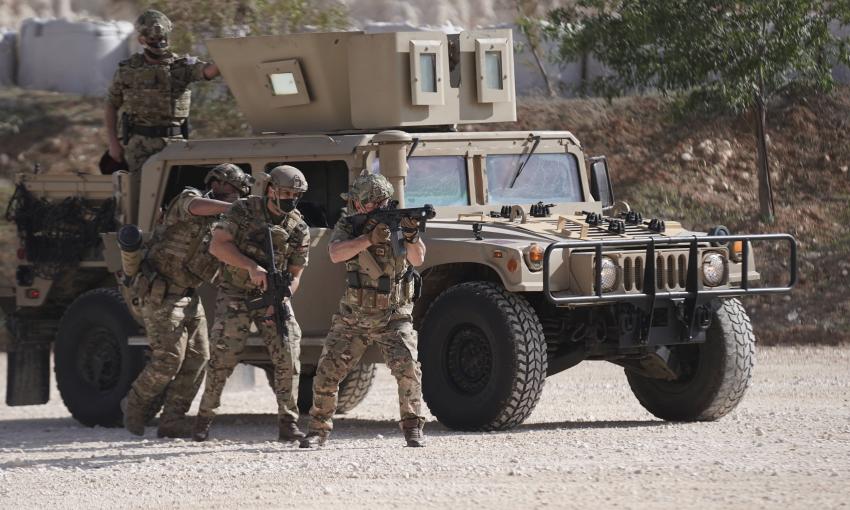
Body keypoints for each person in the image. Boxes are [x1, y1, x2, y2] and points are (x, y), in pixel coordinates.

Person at [123, 163, 251, 438]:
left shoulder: (222, 223)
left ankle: (172, 419)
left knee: (199, 359)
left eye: (240, 194)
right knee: (168, 360)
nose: (236, 196)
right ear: (217, 184)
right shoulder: (190, 198)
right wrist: (233, 207)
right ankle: (133, 405)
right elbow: (195, 206)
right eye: (234, 190)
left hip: (189, 296)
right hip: (161, 294)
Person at [301, 174, 427, 448]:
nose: (358, 206)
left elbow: (418, 258)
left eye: (362, 202)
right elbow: (336, 254)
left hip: (393, 315)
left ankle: (412, 427)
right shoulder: (349, 224)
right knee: (327, 373)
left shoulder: (401, 224)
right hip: (354, 316)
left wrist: (411, 235)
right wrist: (369, 238)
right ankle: (317, 431)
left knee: (408, 370)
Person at [193, 165, 311, 442]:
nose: (291, 199)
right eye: (285, 193)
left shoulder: (298, 228)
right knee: (223, 356)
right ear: (271, 190)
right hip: (236, 292)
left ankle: (288, 422)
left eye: (296, 195)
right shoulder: (243, 211)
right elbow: (218, 245)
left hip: (273, 297)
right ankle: (204, 419)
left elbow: (295, 275)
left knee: (288, 353)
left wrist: (280, 299)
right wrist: (251, 267)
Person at [104, 9, 220, 174]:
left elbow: (209, 71)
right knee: (139, 188)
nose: (159, 43)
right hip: (138, 147)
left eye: (163, 38)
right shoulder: (127, 70)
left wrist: (229, 52)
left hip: (174, 145)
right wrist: (113, 143)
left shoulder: (182, 66)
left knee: (174, 187)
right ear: (142, 40)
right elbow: (111, 105)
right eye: (154, 39)